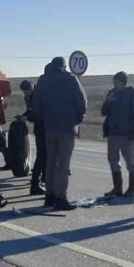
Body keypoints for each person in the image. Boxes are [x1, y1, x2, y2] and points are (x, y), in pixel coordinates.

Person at [32, 56, 87, 211]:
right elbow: (82, 103)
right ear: (64, 66)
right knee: (63, 163)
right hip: (67, 127)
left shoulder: (43, 80)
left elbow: (36, 105)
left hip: (49, 127)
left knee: (50, 161)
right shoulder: (71, 79)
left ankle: (49, 195)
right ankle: (60, 197)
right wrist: (77, 119)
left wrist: (44, 119)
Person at [100, 71, 134, 197]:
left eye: (116, 82)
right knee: (113, 161)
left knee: (130, 161)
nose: (114, 84)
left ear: (123, 82)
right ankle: (117, 188)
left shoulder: (133, 94)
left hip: (128, 135)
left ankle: (132, 188)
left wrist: (131, 126)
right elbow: (103, 112)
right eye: (114, 82)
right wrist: (107, 102)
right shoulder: (112, 93)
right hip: (113, 134)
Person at [20, 79, 46, 195]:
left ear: (32, 88)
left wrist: (28, 118)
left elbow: (39, 114)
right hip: (40, 129)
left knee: (44, 155)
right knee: (42, 155)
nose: (26, 94)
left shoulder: (38, 95)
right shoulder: (28, 97)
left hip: (45, 127)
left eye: (27, 91)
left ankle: (41, 179)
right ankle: (37, 181)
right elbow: (30, 111)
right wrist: (23, 116)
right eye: (24, 92)